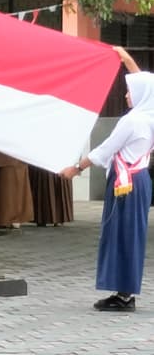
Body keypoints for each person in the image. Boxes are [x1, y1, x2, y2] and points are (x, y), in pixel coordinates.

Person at [61, 48, 154, 311]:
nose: (126, 95)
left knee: (122, 234)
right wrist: (126, 59)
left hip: (126, 182)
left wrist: (76, 168)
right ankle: (124, 291)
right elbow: (145, 84)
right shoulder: (150, 115)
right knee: (130, 234)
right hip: (139, 179)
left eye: (130, 92)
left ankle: (124, 295)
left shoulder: (132, 122)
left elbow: (105, 150)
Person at [0, 150, 34, 228]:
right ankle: (3, 219)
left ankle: (8, 219)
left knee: (8, 189)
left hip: (11, 157)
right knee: (3, 189)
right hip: (6, 156)